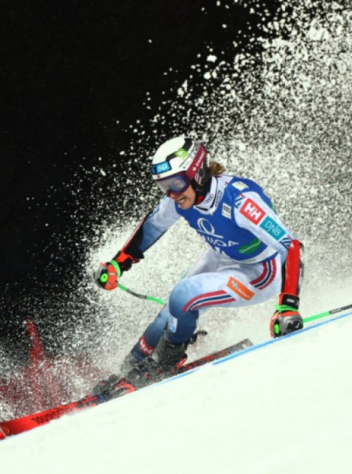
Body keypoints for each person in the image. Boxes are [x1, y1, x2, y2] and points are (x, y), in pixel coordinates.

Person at [94, 136, 304, 387]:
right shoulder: (181, 197)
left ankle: (165, 362)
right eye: (164, 187)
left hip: (260, 272)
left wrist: (288, 306)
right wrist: (118, 264)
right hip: (221, 257)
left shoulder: (240, 201)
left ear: (198, 174)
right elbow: (151, 227)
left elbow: (291, 246)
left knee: (183, 294)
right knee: (166, 315)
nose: (171, 193)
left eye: (175, 183)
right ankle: (126, 372)